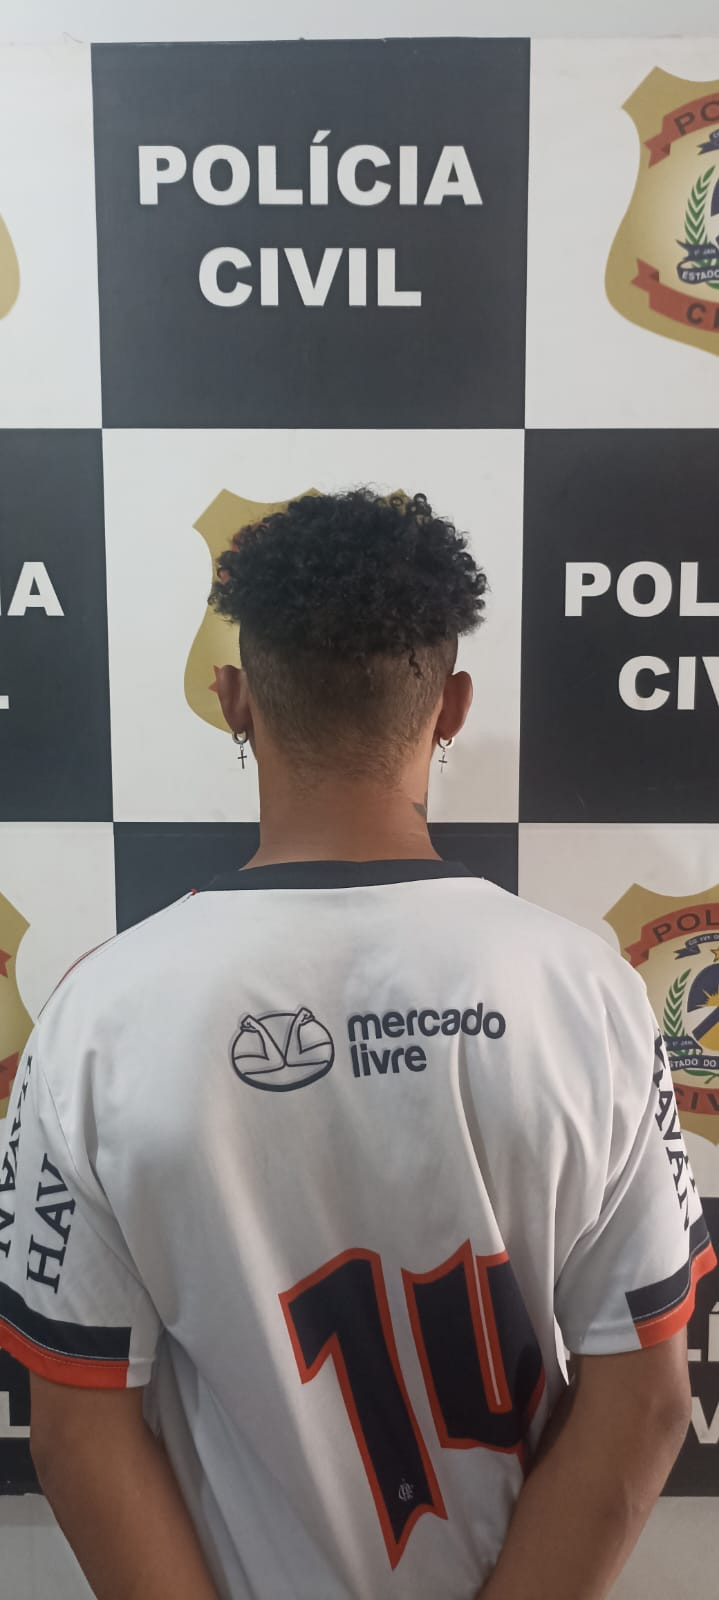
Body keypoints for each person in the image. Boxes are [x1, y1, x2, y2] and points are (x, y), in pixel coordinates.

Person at [0, 489, 714, 1600]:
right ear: (453, 707)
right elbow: (649, 1399)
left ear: (233, 700)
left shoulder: (99, 1014)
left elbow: (77, 1431)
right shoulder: (589, 992)